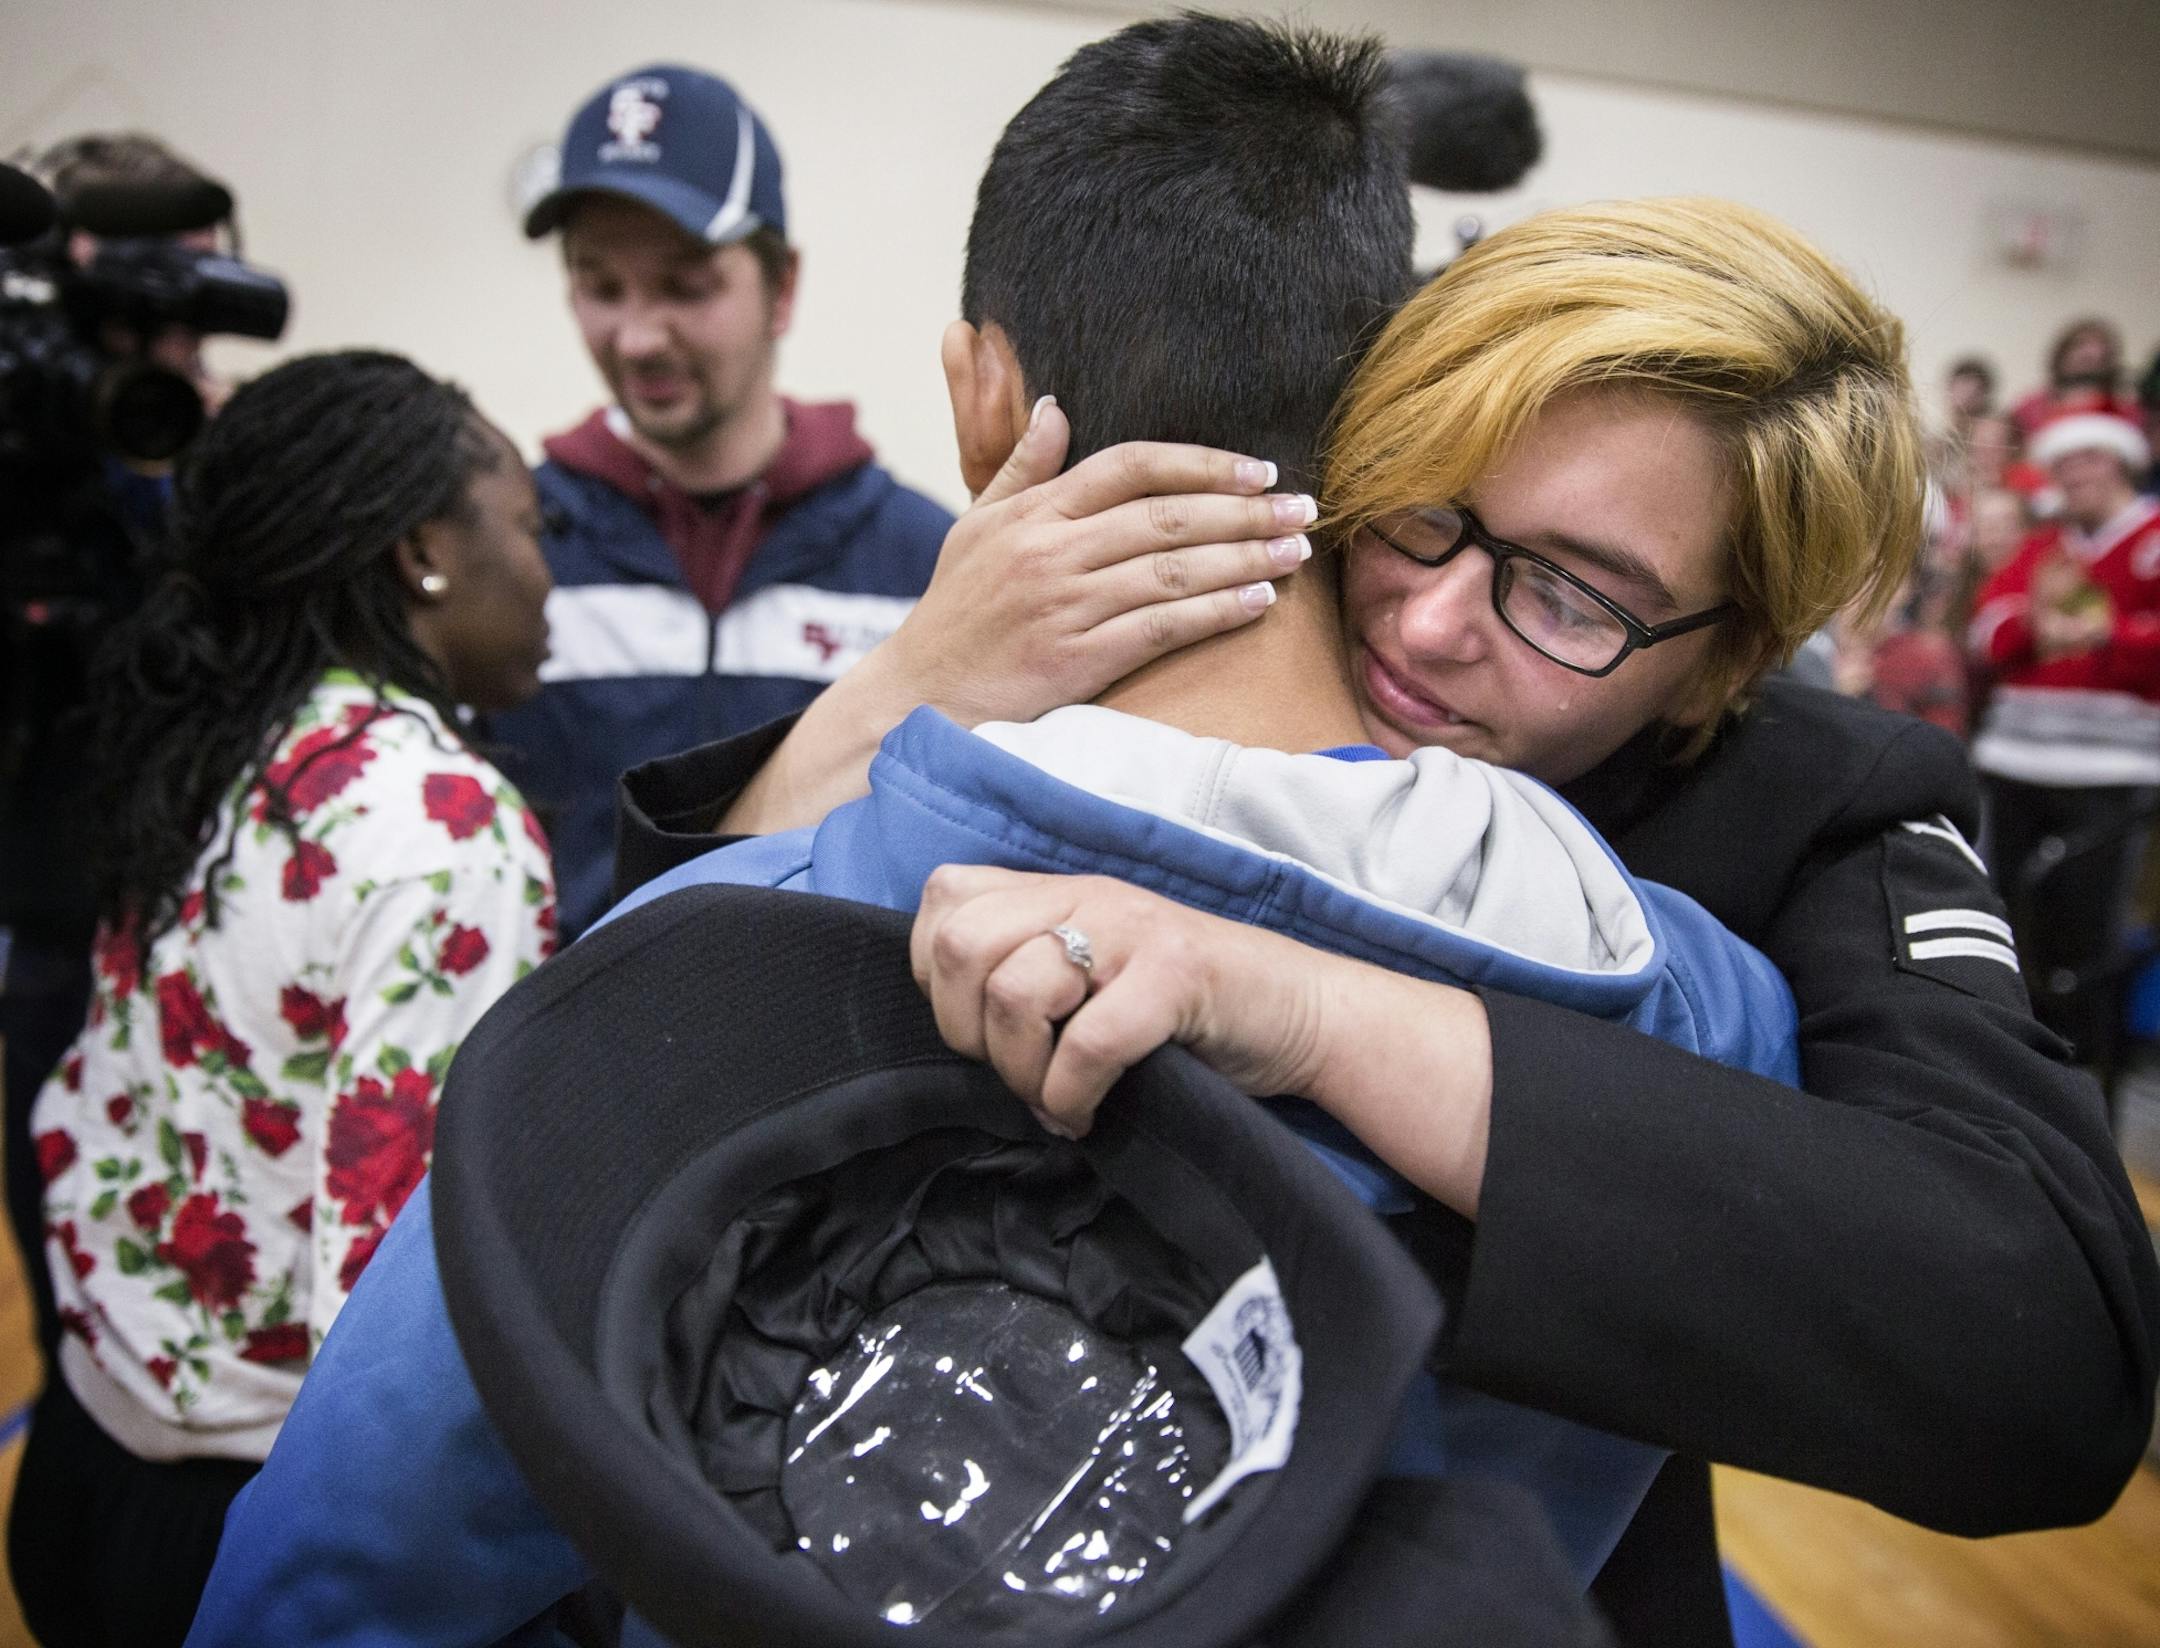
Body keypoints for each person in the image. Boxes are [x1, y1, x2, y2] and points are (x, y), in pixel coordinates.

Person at [189, 22, 1807, 1648]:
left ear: (980, 392)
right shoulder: (1700, 1005)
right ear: (1386, 414)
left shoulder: (720, 965)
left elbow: (326, 1586)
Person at [611, 233, 2159, 1648]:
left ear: (1722, 661)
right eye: (1422, 512)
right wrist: (901, 685)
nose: (1426, 626)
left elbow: (2046, 1357)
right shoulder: (1225, 601)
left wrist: (1323, 1014)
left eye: (1571, 597)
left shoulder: (1826, 809)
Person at [13, 351, 558, 1647]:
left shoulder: (223, 739)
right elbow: (393, 1324)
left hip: (82, 1464)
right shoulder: (445, 825)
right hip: (253, 1536)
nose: (549, 578)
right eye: (531, 528)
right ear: (426, 551)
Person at [486, 63, 952, 940]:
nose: (637, 336)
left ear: (783, 288)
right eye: (600, 285)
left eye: (686, 287)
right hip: (556, 1061)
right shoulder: (509, 554)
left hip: (819, 1064)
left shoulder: (920, 564)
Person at [1968, 410, 2160, 1049]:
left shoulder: (2151, 539)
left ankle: (2083, 1071)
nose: (2075, 475)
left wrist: (2110, 635)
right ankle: (2017, 1058)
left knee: (2086, 939)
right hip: (2012, 765)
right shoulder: (2039, 551)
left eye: (2090, 459)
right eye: (2064, 464)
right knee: (2007, 925)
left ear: (2122, 461)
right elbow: (1985, 634)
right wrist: (2032, 627)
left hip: (2110, 775)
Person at [2009, 317, 2139, 442]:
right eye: (2081, 346)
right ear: (2061, 355)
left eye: (2096, 357)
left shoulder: (2125, 413)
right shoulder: (2030, 408)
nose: (2089, 353)